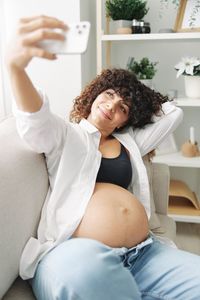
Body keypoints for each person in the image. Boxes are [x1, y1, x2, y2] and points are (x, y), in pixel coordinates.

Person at [6, 15, 200, 300]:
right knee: (86, 274)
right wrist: (15, 69)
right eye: (108, 94)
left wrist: (138, 102)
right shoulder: (68, 135)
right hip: (75, 251)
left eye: (123, 107)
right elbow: (36, 122)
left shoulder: (130, 141)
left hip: (144, 255)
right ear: (94, 95)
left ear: (126, 120)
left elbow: (173, 113)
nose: (112, 105)